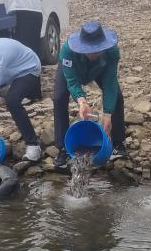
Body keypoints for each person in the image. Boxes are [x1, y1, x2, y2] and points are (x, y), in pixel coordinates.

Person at [54, 21, 127, 169]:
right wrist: (82, 102)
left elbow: (110, 82)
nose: (94, 54)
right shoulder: (67, 51)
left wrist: (107, 114)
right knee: (59, 98)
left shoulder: (112, 51)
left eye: (98, 50)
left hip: (99, 69)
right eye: (89, 50)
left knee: (117, 98)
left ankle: (118, 143)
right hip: (73, 70)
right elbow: (72, 81)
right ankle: (62, 148)